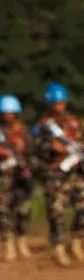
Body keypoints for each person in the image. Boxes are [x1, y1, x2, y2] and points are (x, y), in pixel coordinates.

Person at [34, 83, 84, 266]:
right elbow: (35, 149)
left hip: (75, 173)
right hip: (55, 174)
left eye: (62, 102)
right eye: (55, 103)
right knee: (57, 211)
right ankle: (58, 248)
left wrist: (81, 156)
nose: (59, 106)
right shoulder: (43, 126)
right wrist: (51, 148)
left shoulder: (73, 122)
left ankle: (76, 242)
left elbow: (83, 144)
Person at [0, 94, 34, 261]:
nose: (9, 115)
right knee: (3, 210)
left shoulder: (23, 131)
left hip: (22, 175)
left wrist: (28, 168)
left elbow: (30, 152)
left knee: (23, 210)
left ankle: (22, 241)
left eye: (11, 112)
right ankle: (8, 245)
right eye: (5, 112)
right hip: (3, 176)